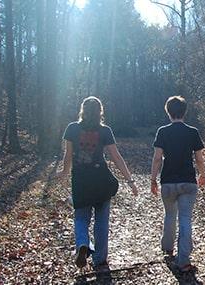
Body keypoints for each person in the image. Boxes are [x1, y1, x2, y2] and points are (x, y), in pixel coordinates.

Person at [57, 96, 138, 270]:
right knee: (101, 220)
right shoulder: (105, 131)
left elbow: (68, 155)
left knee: (80, 218)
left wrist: (64, 173)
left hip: (80, 180)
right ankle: (100, 259)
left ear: (82, 111)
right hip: (101, 179)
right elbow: (116, 157)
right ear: (100, 112)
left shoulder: (72, 128)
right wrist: (129, 180)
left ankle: (82, 244)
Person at [151, 96, 205, 272]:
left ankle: (168, 248)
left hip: (168, 181)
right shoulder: (192, 132)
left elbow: (157, 158)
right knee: (185, 218)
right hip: (188, 182)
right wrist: (202, 175)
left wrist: (153, 179)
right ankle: (183, 260)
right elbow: (199, 159)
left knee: (169, 215)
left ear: (168, 112)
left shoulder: (162, 131)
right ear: (185, 111)